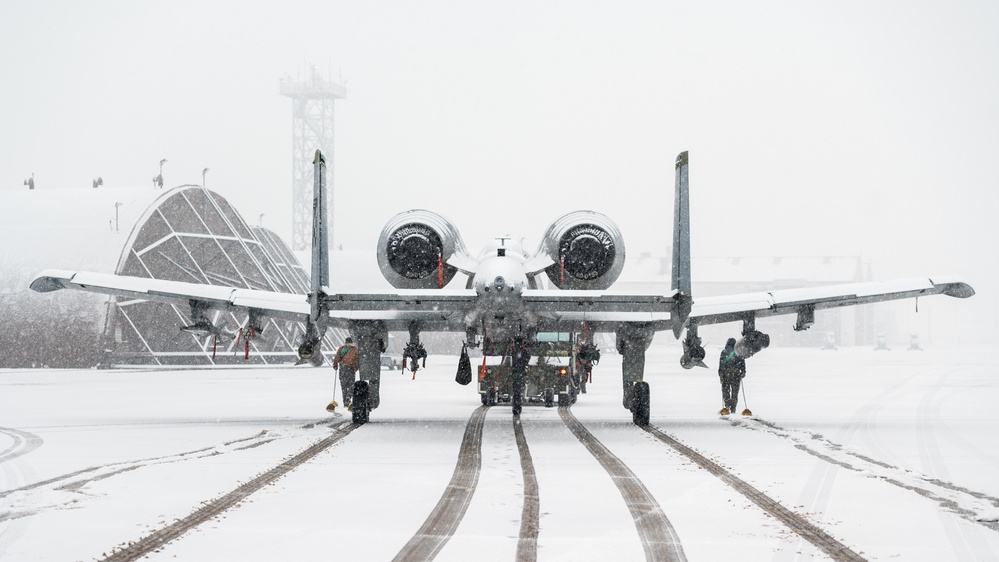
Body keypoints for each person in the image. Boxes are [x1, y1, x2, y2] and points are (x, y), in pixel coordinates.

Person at [718, 338, 746, 414]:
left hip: (726, 374)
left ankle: (727, 406)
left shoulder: (724, 352)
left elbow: (721, 363)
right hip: (736, 374)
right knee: (735, 392)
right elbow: (742, 362)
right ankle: (733, 408)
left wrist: (720, 372)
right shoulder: (739, 352)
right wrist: (743, 371)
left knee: (726, 391)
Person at [333, 337, 360, 409]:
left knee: (343, 386)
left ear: (345, 342)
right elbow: (357, 361)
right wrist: (355, 368)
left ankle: (345, 402)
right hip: (351, 369)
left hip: (342, 369)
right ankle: (348, 396)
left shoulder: (342, 348)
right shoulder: (355, 350)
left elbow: (337, 358)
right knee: (351, 385)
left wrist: (335, 365)